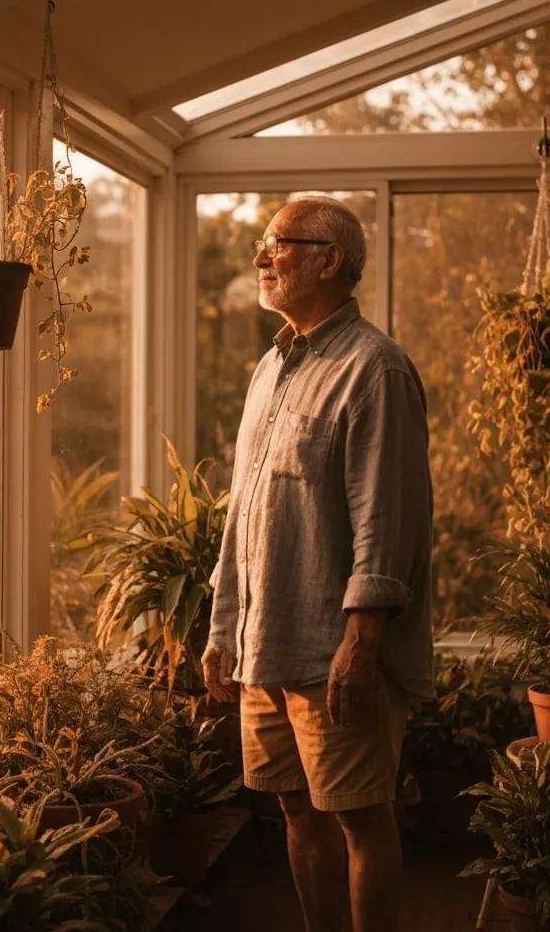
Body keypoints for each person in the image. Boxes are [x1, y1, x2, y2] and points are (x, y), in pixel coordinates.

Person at [202, 195, 434, 932]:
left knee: (361, 817)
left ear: (330, 260)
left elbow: (384, 520)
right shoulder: (269, 369)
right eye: (263, 245)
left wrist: (359, 646)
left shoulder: (376, 368)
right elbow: (243, 515)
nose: (261, 258)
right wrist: (221, 629)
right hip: (265, 644)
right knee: (294, 811)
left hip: (332, 650)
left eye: (279, 244)